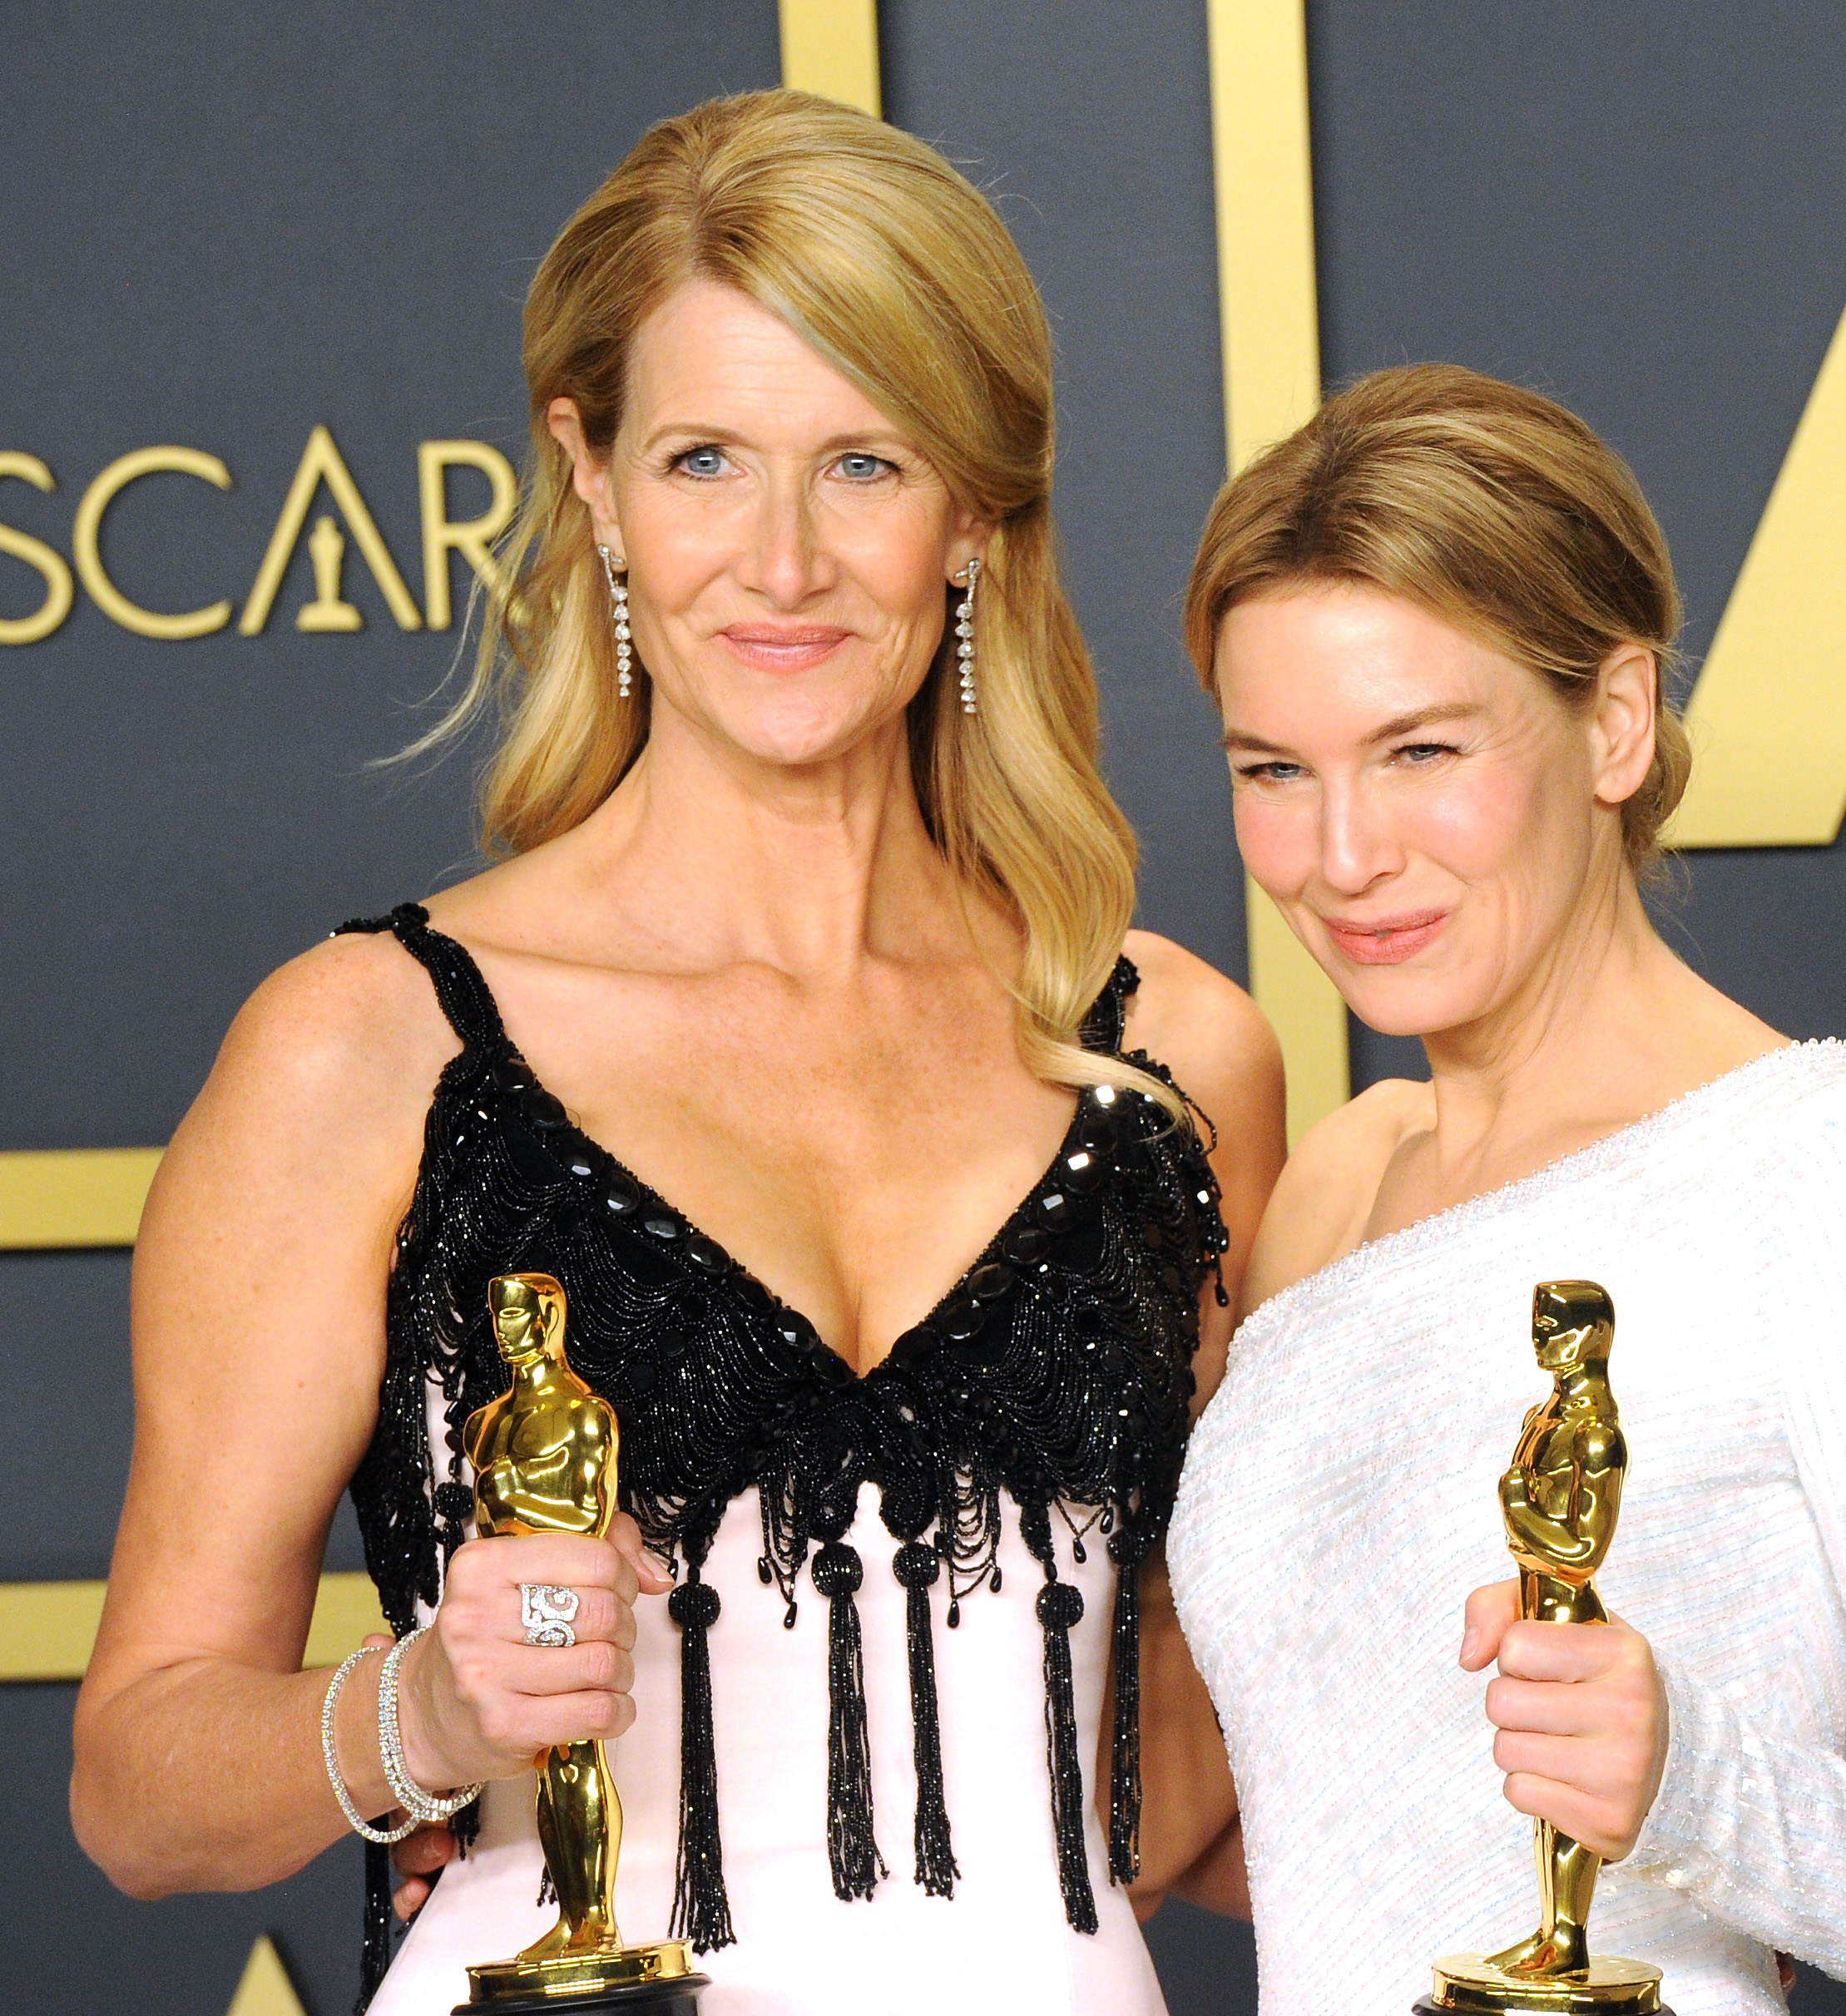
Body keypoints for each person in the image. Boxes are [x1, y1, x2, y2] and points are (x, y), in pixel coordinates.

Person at [72, 91, 1280, 2016]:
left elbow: (1175, 1806)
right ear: (593, 477)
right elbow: (139, 1791)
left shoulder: (1172, 1057)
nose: (782, 560)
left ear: (973, 510)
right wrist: (427, 1710)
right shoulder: (369, 1049)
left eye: (865, 465)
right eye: (707, 458)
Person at [1165, 364, 1846, 2016]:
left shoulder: (1841, 1170)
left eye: (1418, 749)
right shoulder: (1335, 1179)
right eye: (1273, 771)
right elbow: (1342, 1835)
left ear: (1612, 722)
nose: (1340, 854)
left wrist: (1695, 1791)